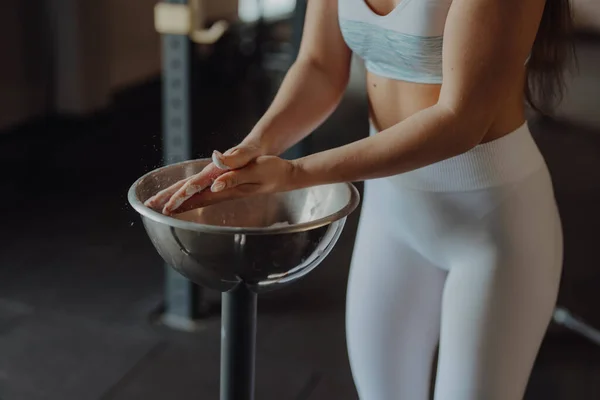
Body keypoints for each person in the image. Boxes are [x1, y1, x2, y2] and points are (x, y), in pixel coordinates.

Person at [146, 0, 574, 398]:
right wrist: (255, 147)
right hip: (393, 217)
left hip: (493, 228)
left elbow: (459, 120)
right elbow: (318, 66)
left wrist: (297, 172)